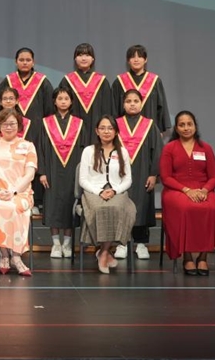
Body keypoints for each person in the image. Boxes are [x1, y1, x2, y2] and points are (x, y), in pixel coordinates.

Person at [159, 111, 215, 276]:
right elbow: (165, 177)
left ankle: (203, 256)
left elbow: (214, 177)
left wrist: (204, 190)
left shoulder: (206, 148)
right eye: (181, 125)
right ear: (176, 128)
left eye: (189, 124)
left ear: (195, 126)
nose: (186, 128)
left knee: (212, 208)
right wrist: (186, 190)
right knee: (185, 208)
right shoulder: (169, 148)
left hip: (203, 189)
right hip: (176, 190)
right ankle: (187, 256)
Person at [0, 108, 38, 276]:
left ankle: (16, 256)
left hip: (20, 192)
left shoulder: (28, 146)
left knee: (15, 208)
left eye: (12, 123)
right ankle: (4, 253)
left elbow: (30, 174)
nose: (9, 127)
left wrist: (13, 191)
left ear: (19, 125)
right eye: (5, 124)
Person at [78, 115, 136, 274]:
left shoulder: (122, 152)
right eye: (102, 128)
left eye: (110, 128)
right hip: (93, 191)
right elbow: (83, 180)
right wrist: (99, 192)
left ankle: (103, 252)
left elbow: (128, 179)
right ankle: (105, 252)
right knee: (100, 209)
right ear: (97, 131)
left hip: (117, 190)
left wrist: (115, 190)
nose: (106, 131)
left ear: (116, 131)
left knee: (117, 208)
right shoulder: (88, 151)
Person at [38, 86, 86, 259]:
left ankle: (67, 243)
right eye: (60, 98)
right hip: (52, 171)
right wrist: (42, 172)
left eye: (66, 98)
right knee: (53, 205)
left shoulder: (79, 123)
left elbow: (84, 150)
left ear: (71, 101)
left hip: (72, 171)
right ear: (54, 101)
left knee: (69, 205)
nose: (63, 102)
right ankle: (55, 244)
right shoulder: (46, 122)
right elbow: (40, 148)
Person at [115, 88, 162, 260]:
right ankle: (122, 243)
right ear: (123, 104)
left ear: (141, 104)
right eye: (128, 101)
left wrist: (153, 174)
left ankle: (141, 243)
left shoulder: (150, 125)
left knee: (142, 207)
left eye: (136, 101)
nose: (132, 104)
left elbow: (158, 151)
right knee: (121, 206)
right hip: (119, 173)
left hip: (143, 172)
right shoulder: (116, 124)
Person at [112, 44, 171, 135]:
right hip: (125, 132)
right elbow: (114, 108)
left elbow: (161, 107)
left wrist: (159, 130)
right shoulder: (119, 81)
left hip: (150, 130)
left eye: (139, 56)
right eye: (133, 57)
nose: (136, 60)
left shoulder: (155, 81)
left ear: (145, 59)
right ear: (128, 60)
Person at [59, 43, 114, 130]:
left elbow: (107, 108)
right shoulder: (67, 81)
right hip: (72, 128)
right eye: (80, 55)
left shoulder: (102, 81)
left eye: (87, 55)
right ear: (75, 59)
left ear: (93, 59)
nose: (83, 58)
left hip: (97, 127)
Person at [0, 47, 53, 120]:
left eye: (28, 60)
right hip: (12, 125)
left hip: (37, 125)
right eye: (21, 60)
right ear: (16, 62)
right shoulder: (8, 80)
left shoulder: (43, 82)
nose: (25, 63)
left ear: (33, 62)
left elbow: (50, 109)